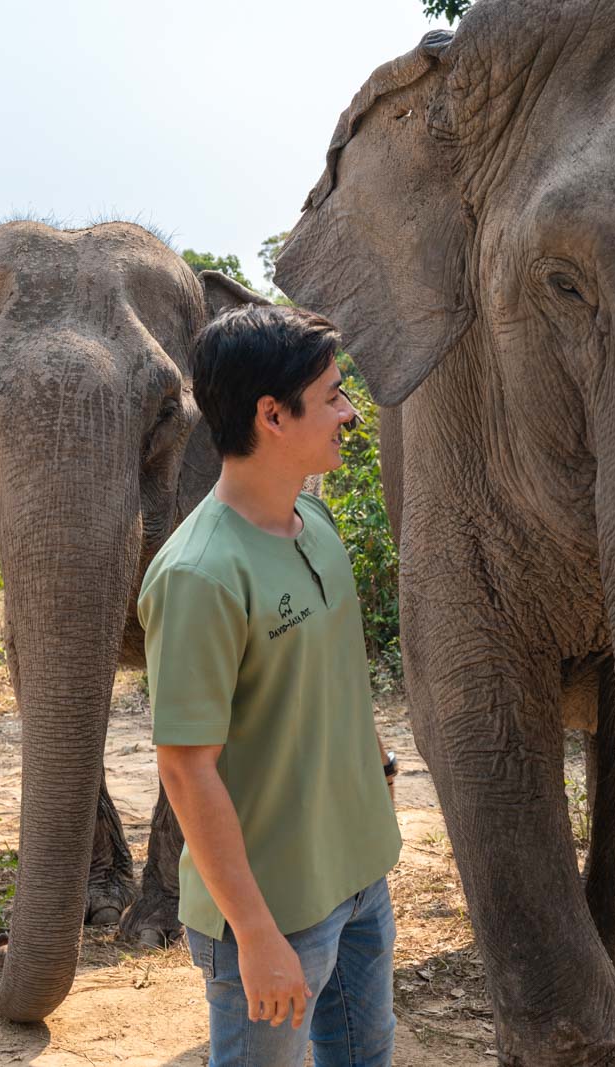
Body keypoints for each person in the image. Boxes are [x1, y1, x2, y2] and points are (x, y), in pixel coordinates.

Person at [138, 303, 402, 1067]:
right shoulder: (198, 575)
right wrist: (254, 935)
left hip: (356, 874)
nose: (349, 411)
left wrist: (378, 768)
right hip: (273, 910)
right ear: (272, 416)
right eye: (331, 395)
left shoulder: (313, 522)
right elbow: (186, 768)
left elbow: (334, 672)